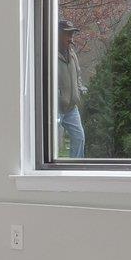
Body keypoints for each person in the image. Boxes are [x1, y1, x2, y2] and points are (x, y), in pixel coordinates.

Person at [56, 19, 86, 157]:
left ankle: (75, 167)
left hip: (71, 108)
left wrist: (80, 88)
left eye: (72, 34)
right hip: (55, 109)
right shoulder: (50, 56)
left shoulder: (72, 53)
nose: (71, 38)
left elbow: (78, 74)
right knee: (50, 145)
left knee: (79, 138)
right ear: (58, 34)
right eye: (67, 34)